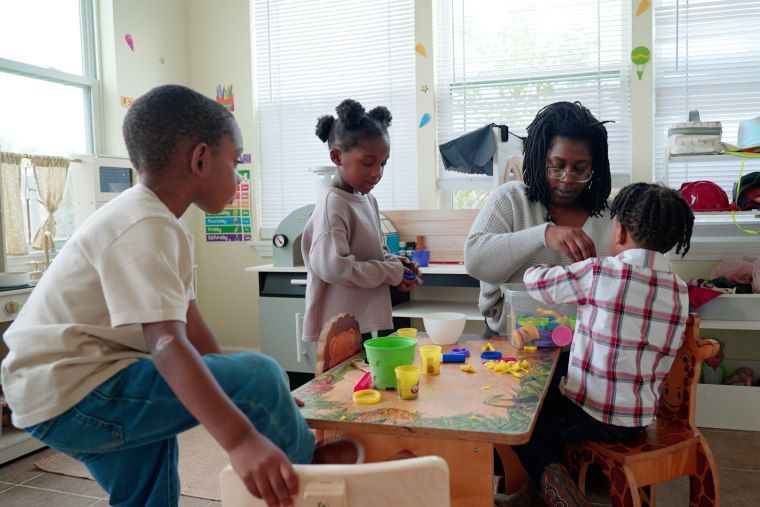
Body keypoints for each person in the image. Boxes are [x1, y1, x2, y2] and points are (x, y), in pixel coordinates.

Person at [0, 84, 357, 507]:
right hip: (75, 390)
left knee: (151, 477)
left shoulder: (158, 222)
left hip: (62, 390)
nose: (239, 175)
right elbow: (167, 346)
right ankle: (304, 478)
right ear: (200, 159)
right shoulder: (146, 224)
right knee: (262, 376)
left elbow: (190, 326)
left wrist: (232, 386)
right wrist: (241, 438)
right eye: (236, 161)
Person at [501, 182, 695, 506]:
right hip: (640, 415)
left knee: (520, 424)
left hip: (595, 413)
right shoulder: (679, 289)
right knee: (550, 401)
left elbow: (535, 283)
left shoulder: (601, 271)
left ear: (618, 233)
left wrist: (547, 267)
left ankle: (565, 498)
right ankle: (535, 491)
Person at [464, 101, 614, 336]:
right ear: (538, 160)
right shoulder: (512, 199)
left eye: (581, 169)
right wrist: (543, 235)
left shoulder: (613, 216)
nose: (567, 179)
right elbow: (475, 261)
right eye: (556, 166)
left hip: (590, 350)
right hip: (512, 345)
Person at [301, 98, 421, 342]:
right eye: (368, 163)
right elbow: (337, 269)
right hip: (338, 331)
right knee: (343, 381)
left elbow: (377, 252)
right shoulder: (332, 204)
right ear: (337, 157)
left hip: (366, 321)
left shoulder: (368, 199)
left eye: (383, 163)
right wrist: (390, 271)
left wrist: (398, 266)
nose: (377, 172)